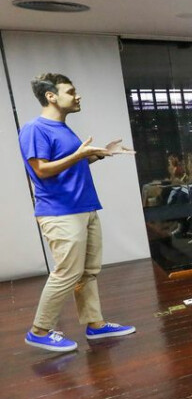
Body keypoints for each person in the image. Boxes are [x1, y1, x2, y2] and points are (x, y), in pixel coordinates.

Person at [19, 72, 137, 352]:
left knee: (88, 272)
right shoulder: (35, 128)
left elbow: (69, 166)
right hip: (60, 212)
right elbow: (41, 170)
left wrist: (99, 154)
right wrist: (79, 155)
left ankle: (95, 325)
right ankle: (39, 331)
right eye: (71, 92)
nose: (77, 96)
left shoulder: (63, 128)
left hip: (85, 207)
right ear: (51, 96)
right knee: (67, 273)